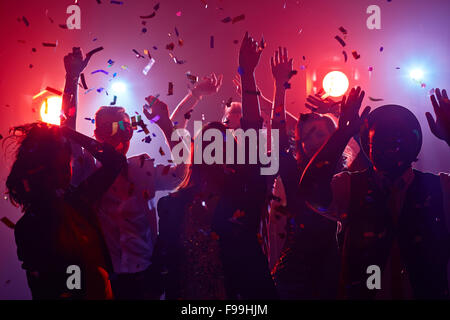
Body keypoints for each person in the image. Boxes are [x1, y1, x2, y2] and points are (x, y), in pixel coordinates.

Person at [61, 47, 222, 299]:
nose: (117, 132)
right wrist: (71, 78)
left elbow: (181, 173)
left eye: (123, 125)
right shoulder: (86, 170)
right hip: (105, 281)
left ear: (131, 132)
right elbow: (66, 129)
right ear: (96, 133)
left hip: (147, 280)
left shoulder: (140, 169)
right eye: (108, 126)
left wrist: (168, 124)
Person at [152, 32, 278, 300]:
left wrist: (248, 74)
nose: (215, 148)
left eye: (222, 142)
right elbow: (166, 264)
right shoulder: (173, 205)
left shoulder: (246, 189)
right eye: (207, 143)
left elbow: (254, 129)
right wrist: (183, 105)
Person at [299, 86, 450, 299]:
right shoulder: (349, 187)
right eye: (382, 141)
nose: (392, 147)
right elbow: (311, 192)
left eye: (399, 140)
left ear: (415, 145)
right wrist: (343, 132)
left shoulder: (441, 188)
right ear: (367, 147)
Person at [6, 123, 126, 299]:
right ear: (44, 171)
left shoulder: (78, 201)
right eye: (60, 165)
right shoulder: (30, 227)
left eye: (67, 163)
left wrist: (67, 132)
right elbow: (54, 286)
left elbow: (115, 161)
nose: (66, 172)